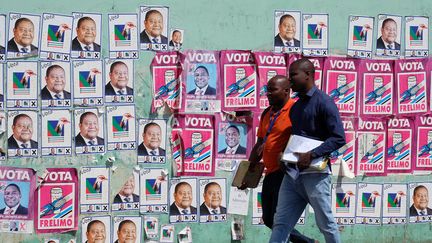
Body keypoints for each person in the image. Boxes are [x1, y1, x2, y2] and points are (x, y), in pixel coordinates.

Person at [270, 59, 345, 243]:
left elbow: (338, 138)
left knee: (326, 224)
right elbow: (296, 138)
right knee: (280, 223)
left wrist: (312, 154)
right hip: (293, 175)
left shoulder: (324, 102)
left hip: (315, 176)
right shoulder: (296, 106)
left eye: (293, 75)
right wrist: (285, 155)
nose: (289, 79)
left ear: (308, 75)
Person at [244, 75, 316, 243]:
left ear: (286, 91)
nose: (268, 93)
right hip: (270, 173)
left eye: (272, 90)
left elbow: (303, 139)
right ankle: (308, 242)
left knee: (279, 219)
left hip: (286, 173)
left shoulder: (295, 110)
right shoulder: (266, 113)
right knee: (269, 218)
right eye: (267, 90)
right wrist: (248, 172)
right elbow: (260, 143)